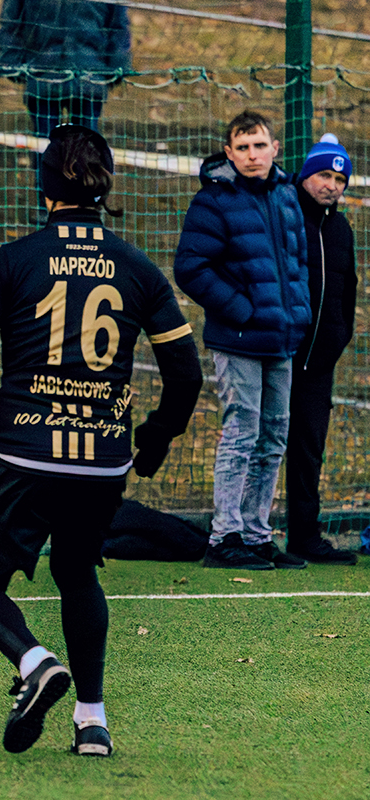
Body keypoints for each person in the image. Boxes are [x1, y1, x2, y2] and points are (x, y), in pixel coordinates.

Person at [0, 125, 202, 756]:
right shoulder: (137, 268)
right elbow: (187, 374)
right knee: (76, 572)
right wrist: (153, 439)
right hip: (103, 462)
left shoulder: (13, 260)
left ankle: (35, 662)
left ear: (45, 187)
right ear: (105, 187)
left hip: (26, 454)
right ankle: (92, 722)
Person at [173, 110, 312, 571]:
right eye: (243, 147)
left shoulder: (288, 195)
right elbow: (191, 268)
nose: (253, 155)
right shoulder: (213, 201)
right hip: (238, 340)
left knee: (274, 437)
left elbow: (298, 263)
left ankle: (256, 535)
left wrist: (298, 312)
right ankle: (224, 536)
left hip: (282, 338)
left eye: (260, 145)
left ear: (275, 148)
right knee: (241, 433)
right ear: (229, 153)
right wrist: (242, 310)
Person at [285, 134, 360, 565]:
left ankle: (303, 536)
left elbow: (348, 290)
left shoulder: (341, 228)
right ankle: (240, 533)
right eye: (323, 175)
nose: (331, 184)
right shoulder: (286, 214)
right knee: (263, 442)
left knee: (309, 448)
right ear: (306, 175)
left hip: (320, 362)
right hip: (279, 352)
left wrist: (338, 335)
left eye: (339, 178)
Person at [0, 0, 130, 217]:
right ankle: (55, 205)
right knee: (48, 146)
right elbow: (11, 21)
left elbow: (118, 25)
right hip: (51, 74)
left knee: (78, 146)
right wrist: (10, 63)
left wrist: (117, 67)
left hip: (82, 76)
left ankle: (74, 205)